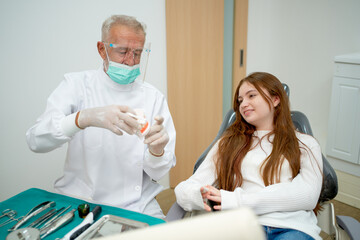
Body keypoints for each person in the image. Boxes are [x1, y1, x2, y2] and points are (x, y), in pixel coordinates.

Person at [26, 15, 176, 218]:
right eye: (122, 51)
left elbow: (158, 173)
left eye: (138, 53)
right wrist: (82, 119)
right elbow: (36, 141)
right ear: (101, 48)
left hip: (137, 204)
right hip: (80, 201)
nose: (131, 61)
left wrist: (157, 151)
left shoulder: (154, 97)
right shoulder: (77, 85)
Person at [175, 72, 323, 239]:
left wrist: (236, 200)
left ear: (275, 99)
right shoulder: (228, 143)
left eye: (251, 96)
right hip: (242, 226)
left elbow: (308, 195)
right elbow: (185, 188)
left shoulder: (305, 143)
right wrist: (198, 194)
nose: (243, 104)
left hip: (292, 227)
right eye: (240, 101)